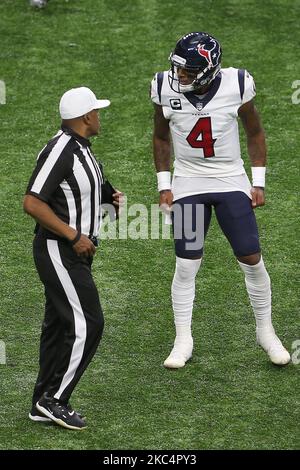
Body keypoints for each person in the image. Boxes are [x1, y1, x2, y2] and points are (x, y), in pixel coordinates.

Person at [150, 32, 290, 369]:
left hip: (229, 177)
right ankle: (183, 337)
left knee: (251, 256)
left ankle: (265, 331)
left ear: (208, 70)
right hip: (188, 180)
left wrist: (258, 182)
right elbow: (160, 136)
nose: (178, 75)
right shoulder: (163, 87)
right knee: (186, 262)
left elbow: (254, 132)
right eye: (177, 68)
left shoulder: (237, 85)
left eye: (186, 71)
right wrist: (164, 185)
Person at [23, 86, 122, 430]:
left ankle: (41, 402)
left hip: (74, 251)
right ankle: (55, 400)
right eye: (96, 111)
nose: (99, 116)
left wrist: (111, 200)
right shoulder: (61, 150)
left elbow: (89, 190)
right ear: (85, 118)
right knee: (88, 323)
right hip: (58, 250)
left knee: (59, 326)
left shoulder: (82, 149)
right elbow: (33, 202)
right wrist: (73, 235)